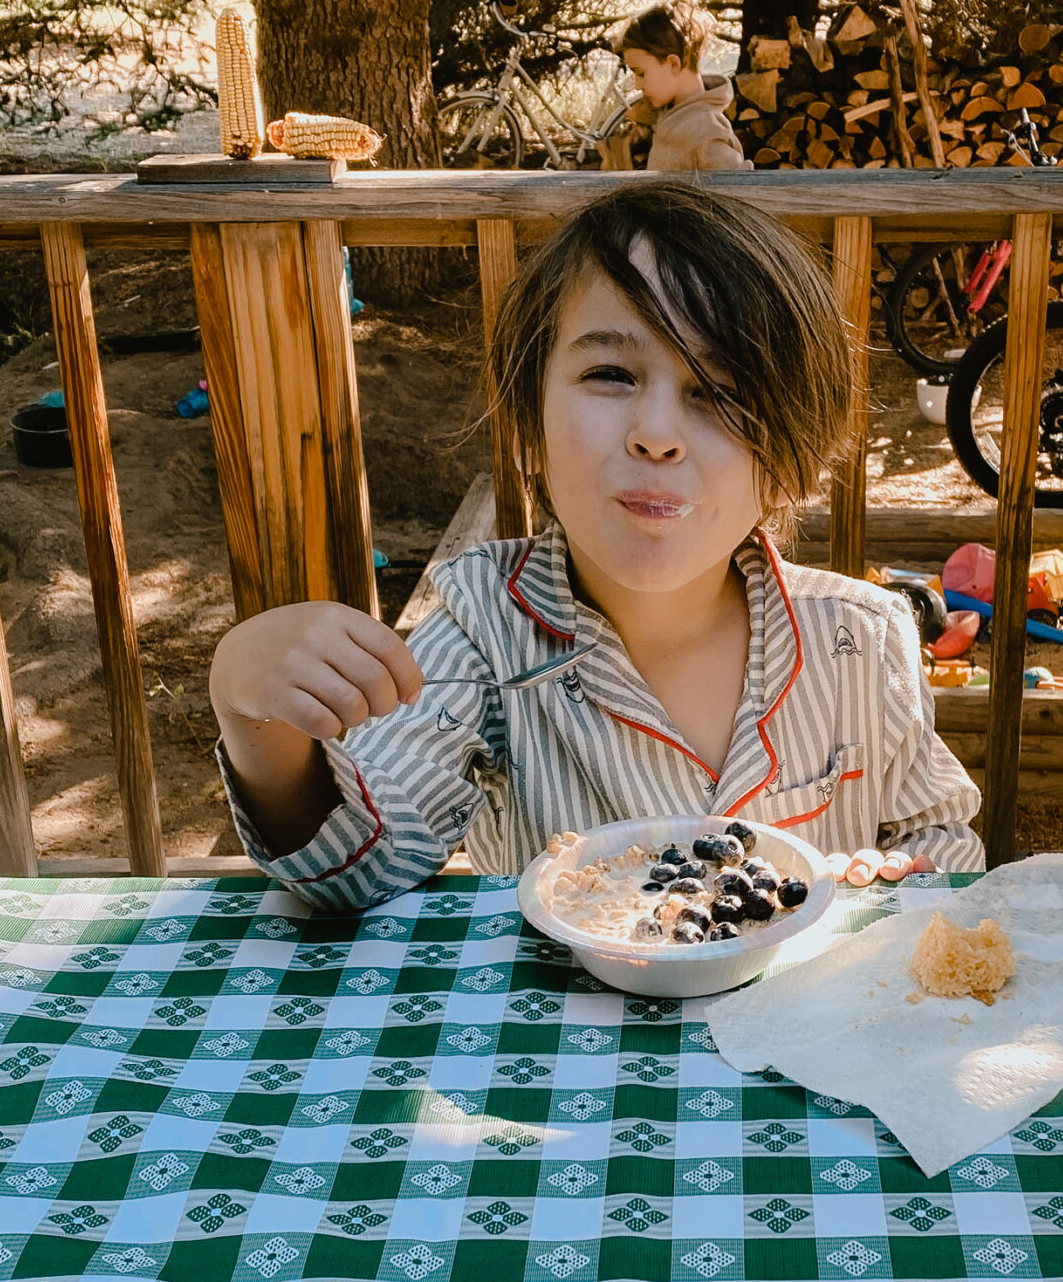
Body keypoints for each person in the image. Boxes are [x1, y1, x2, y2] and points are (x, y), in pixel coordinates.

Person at [209, 183, 984, 910]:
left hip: (799, 1041)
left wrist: (909, 879)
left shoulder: (864, 639)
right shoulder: (485, 631)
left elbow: (938, 833)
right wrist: (253, 715)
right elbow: (360, 863)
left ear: (793, 461)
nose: (655, 435)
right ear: (530, 425)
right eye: (611, 373)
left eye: (720, 395)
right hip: (564, 1044)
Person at [612, 3, 750, 172]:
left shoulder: (706, 131)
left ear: (673, 63)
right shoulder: (676, 116)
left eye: (641, 73)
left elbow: (740, 189)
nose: (638, 85)